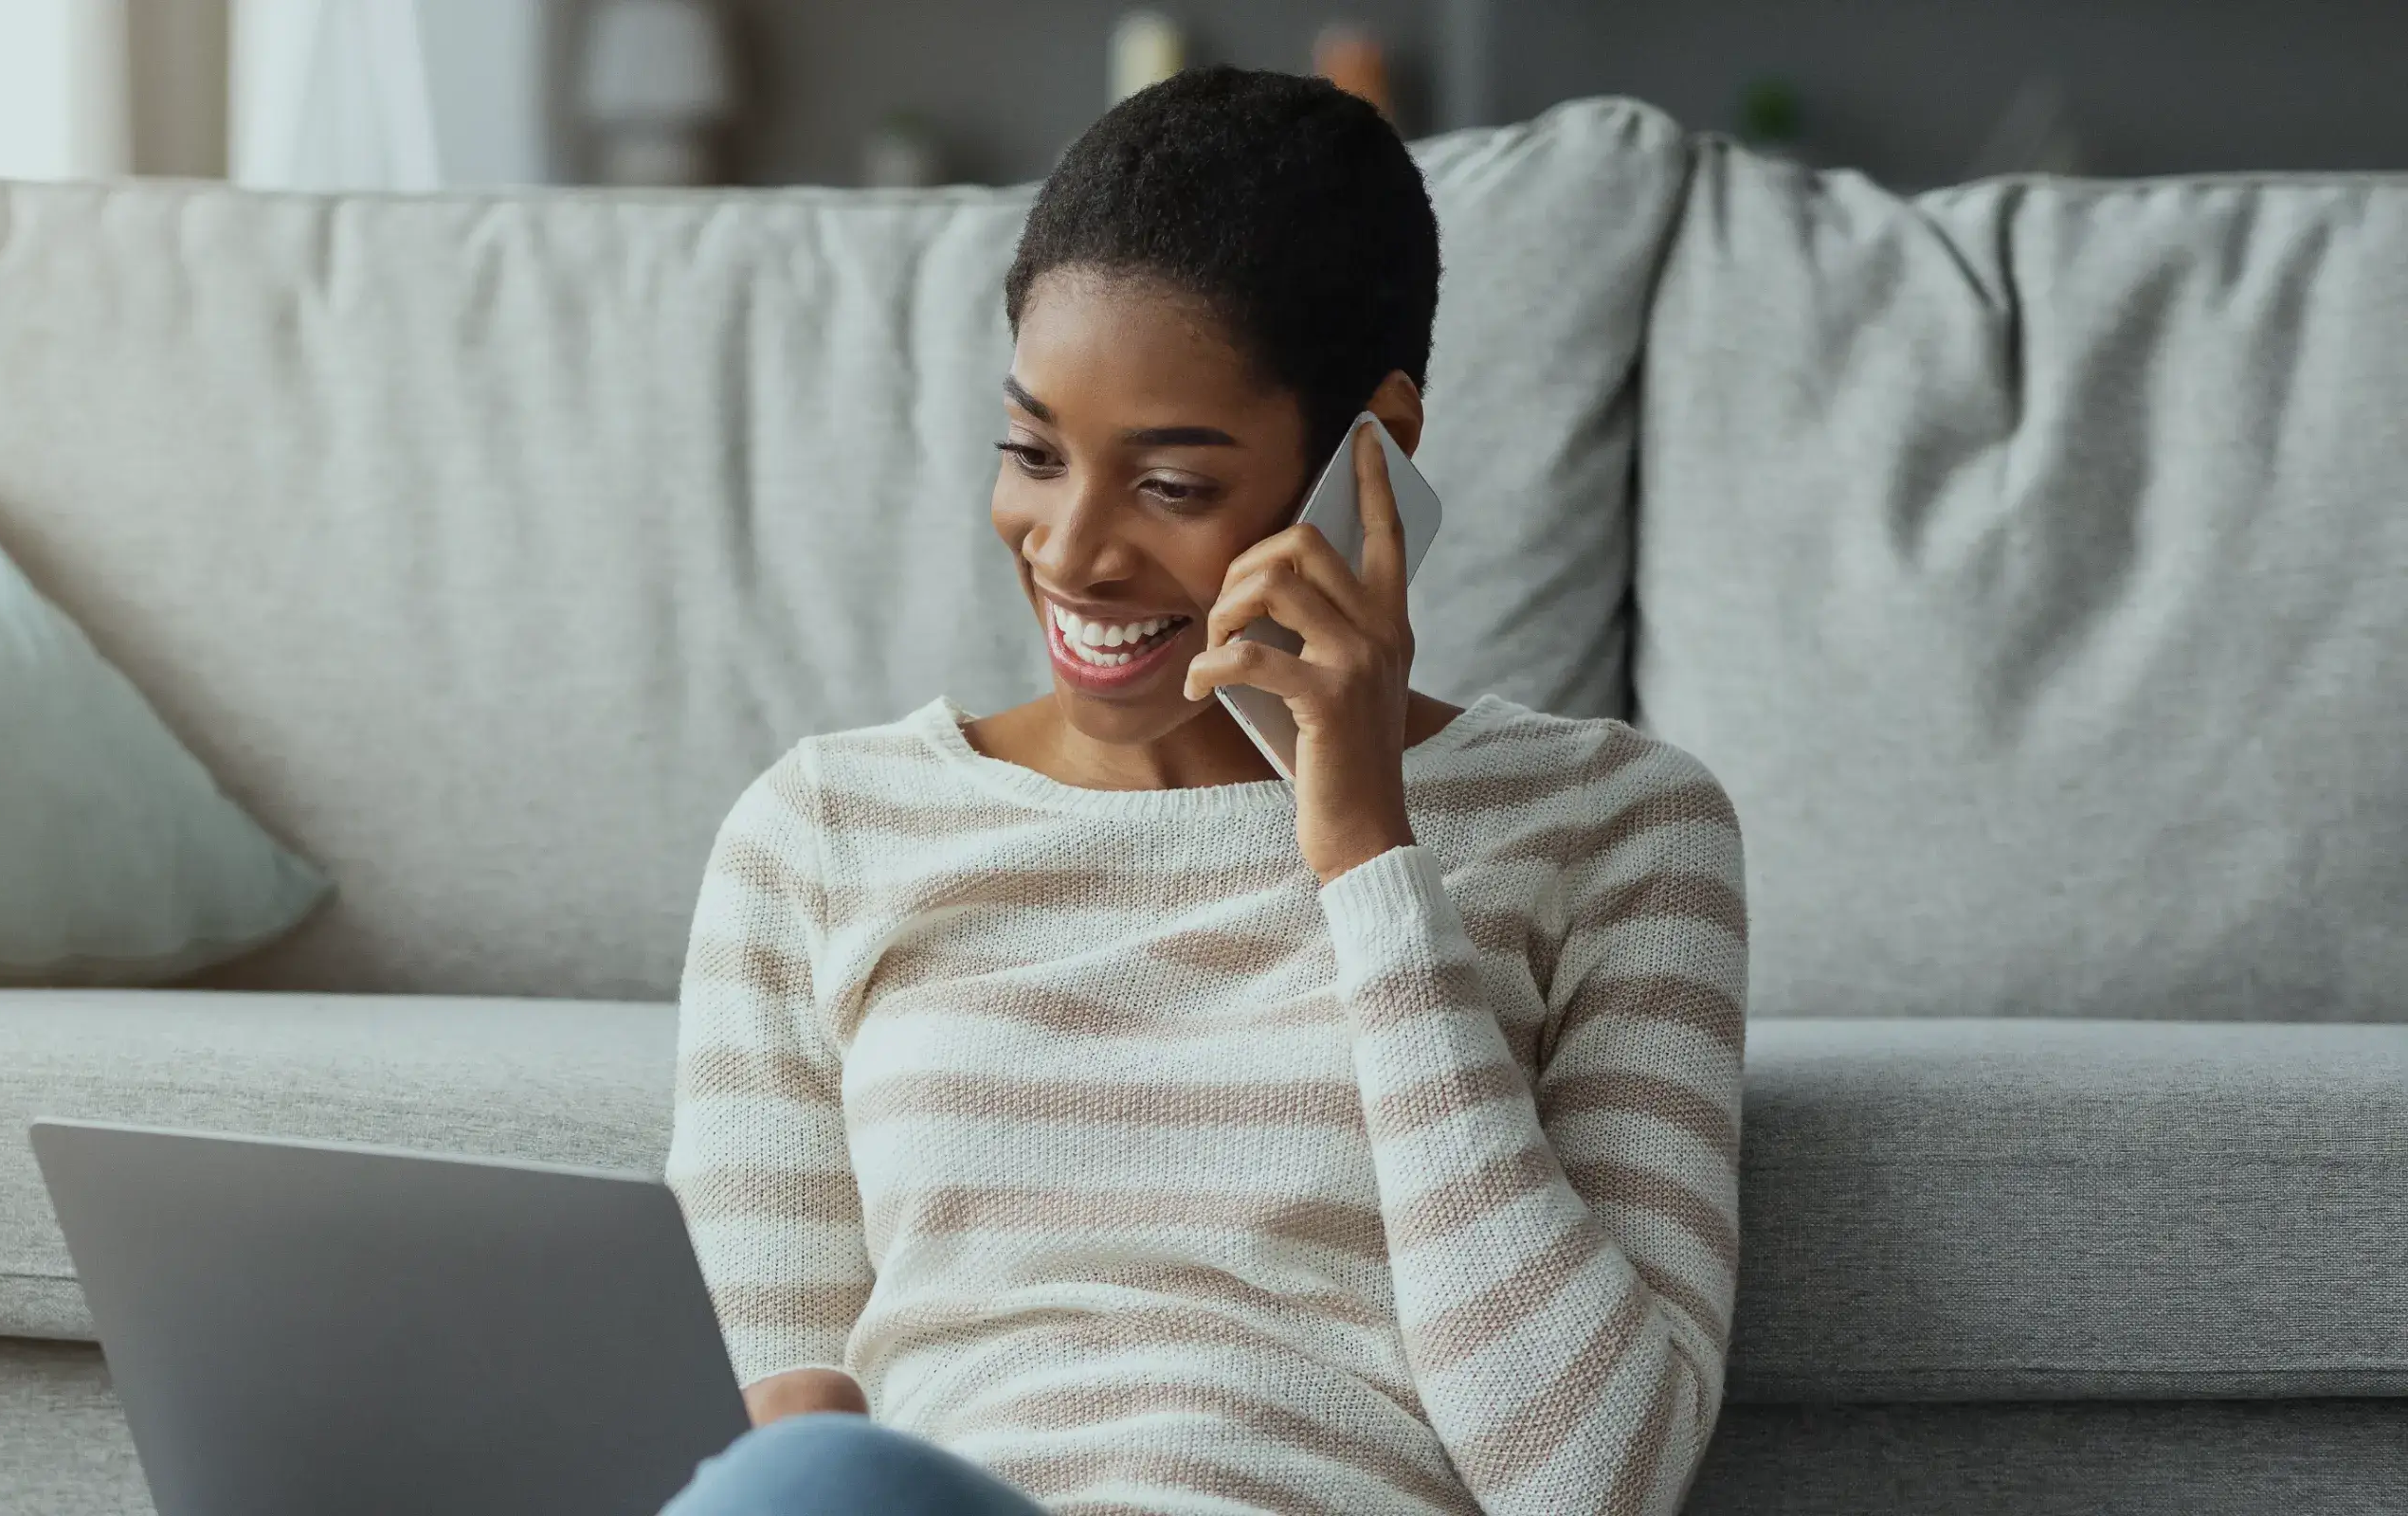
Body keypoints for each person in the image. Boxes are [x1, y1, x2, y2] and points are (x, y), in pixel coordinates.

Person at [659, 66, 1747, 1516]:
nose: (1073, 551)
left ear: (1375, 448)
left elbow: (1595, 1480)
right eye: (1034, 454)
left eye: (1169, 485)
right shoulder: (818, 839)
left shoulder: (1622, 828)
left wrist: (1366, 852)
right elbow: (796, 1439)